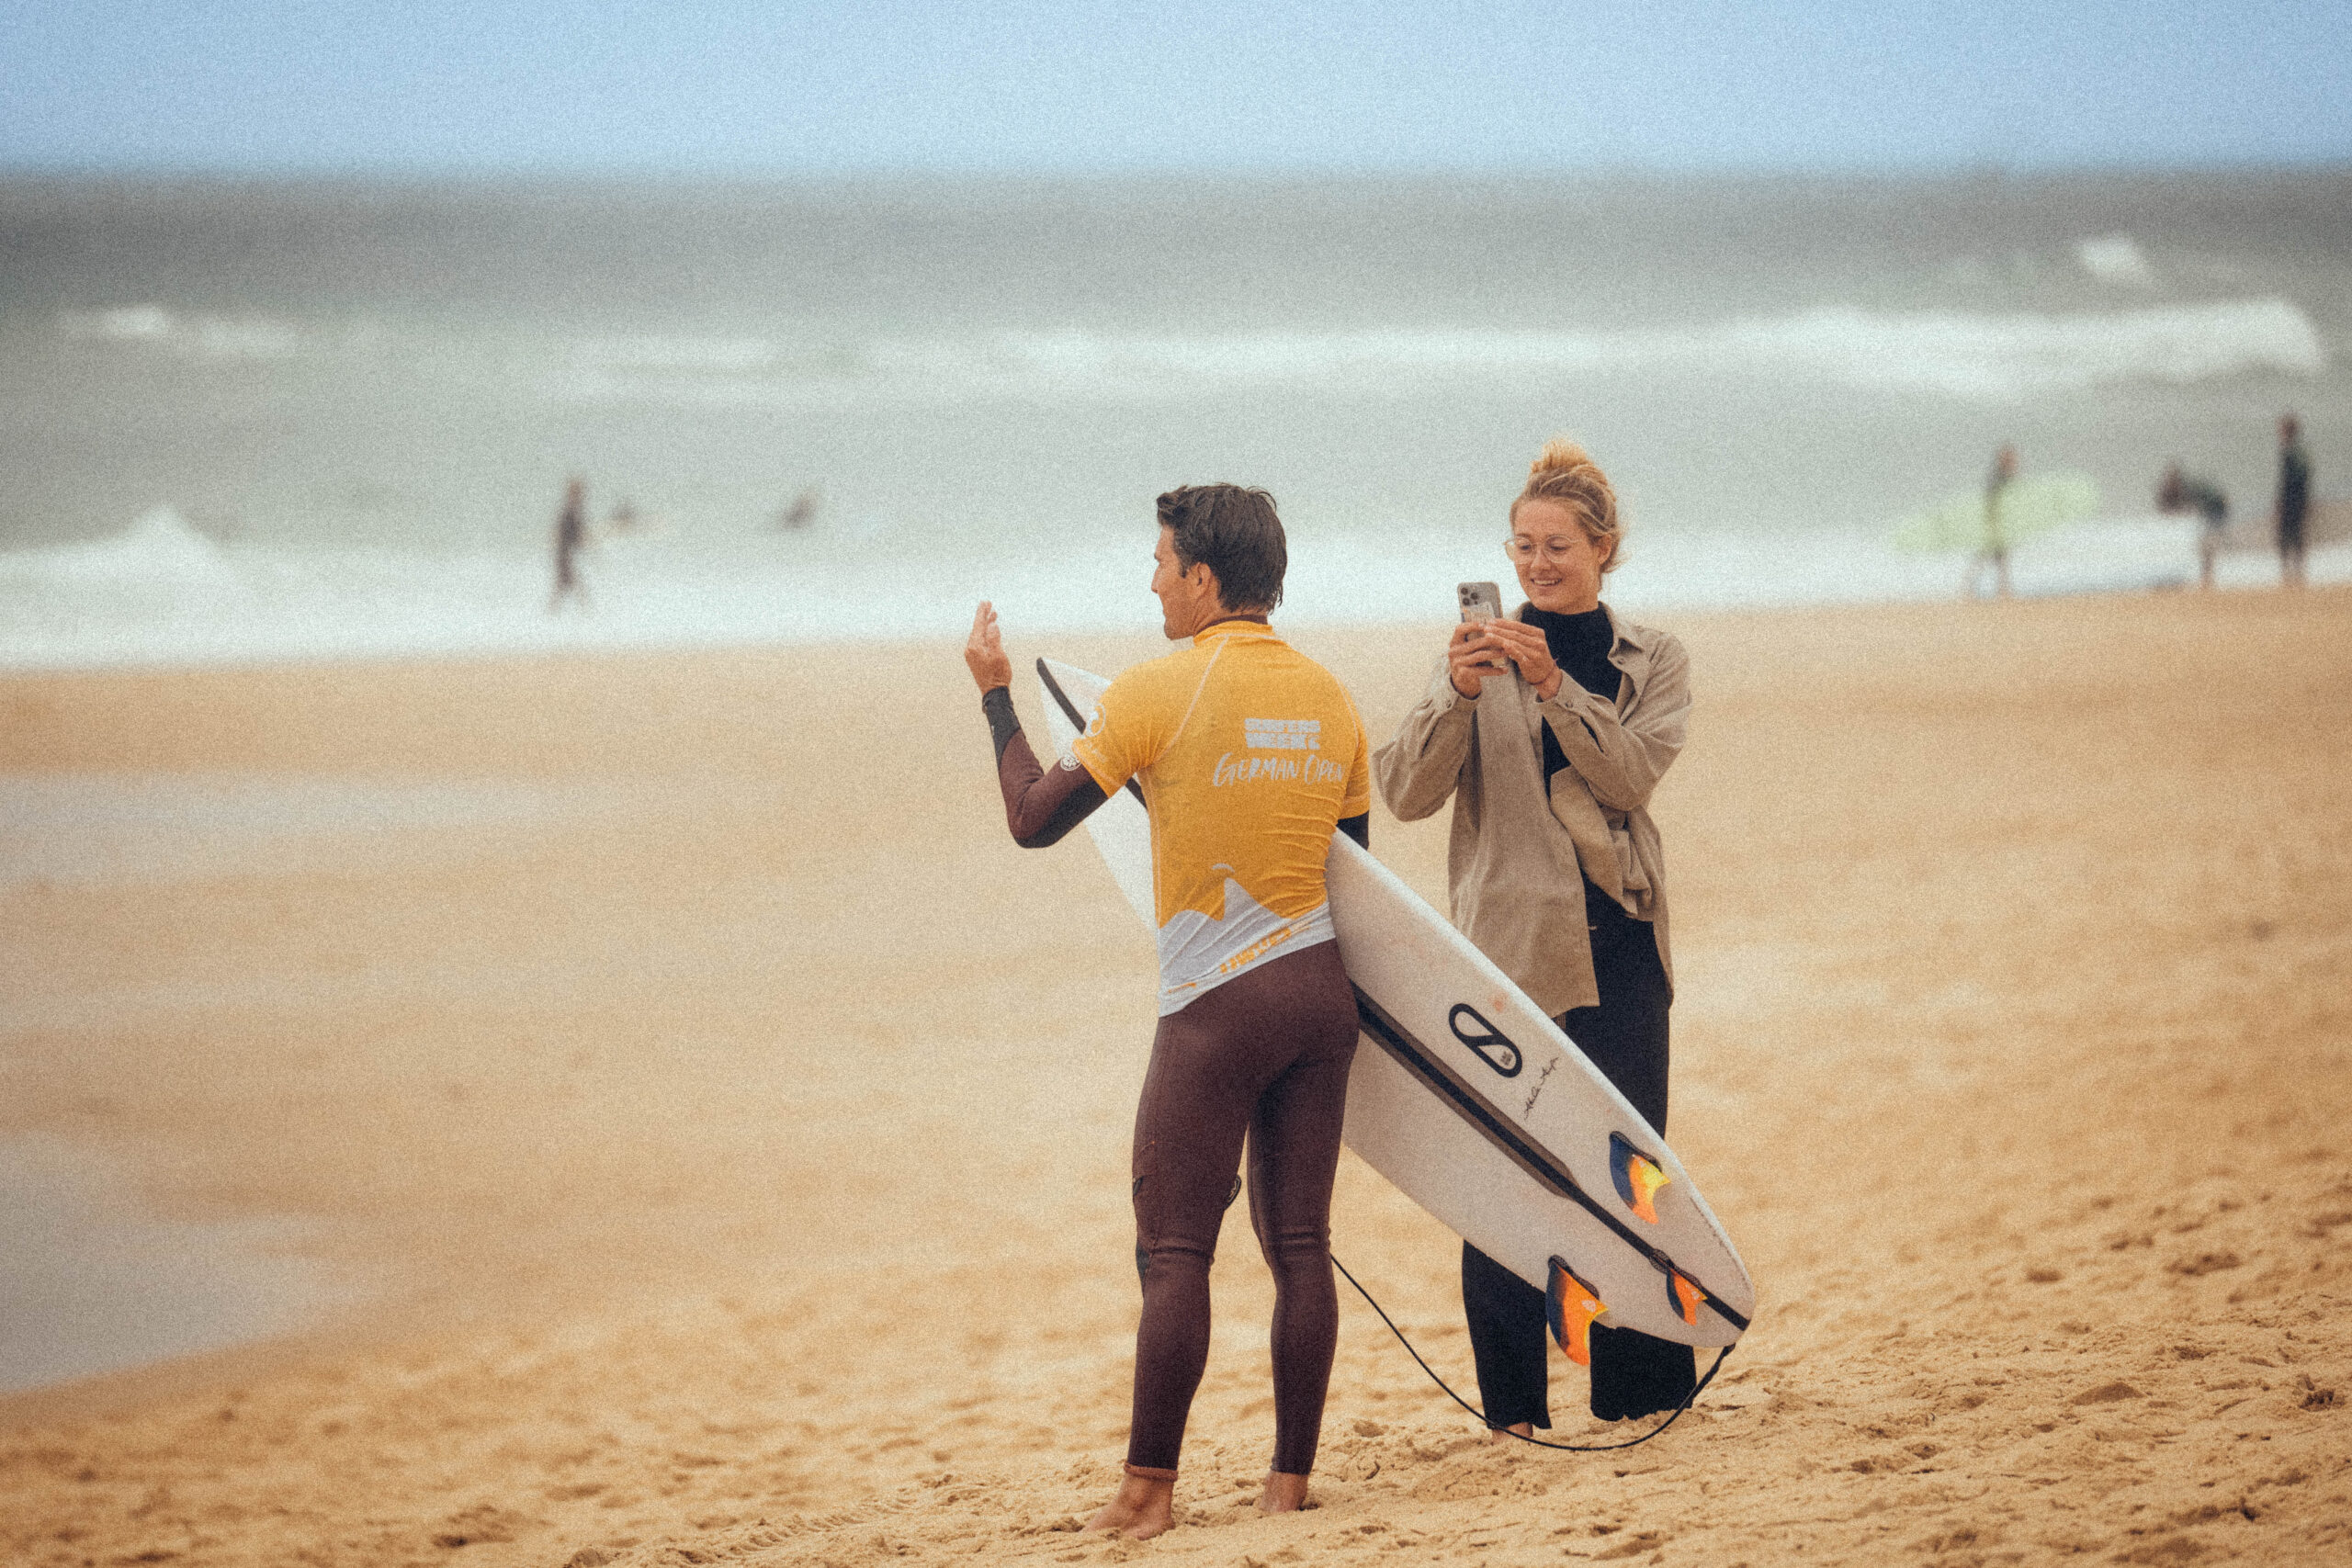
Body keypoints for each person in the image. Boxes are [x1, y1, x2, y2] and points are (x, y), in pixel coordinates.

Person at [963, 484, 1372, 1540]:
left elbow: (1031, 821)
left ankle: (1147, 1491)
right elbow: (1356, 877)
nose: (1150, 580)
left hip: (1215, 1007)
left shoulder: (1157, 692)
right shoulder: (1332, 700)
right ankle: (1288, 1484)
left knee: (1177, 1249)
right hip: (1321, 996)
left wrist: (997, 697)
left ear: (1203, 577)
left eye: (1160, 564)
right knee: (1301, 1244)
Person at [1373, 438, 1696, 1437]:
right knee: (1507, 1177)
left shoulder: (1653, 658)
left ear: (1603, 550)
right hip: (1510, 953)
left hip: (1623, 948)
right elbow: (1405, 792)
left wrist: (1556, 686)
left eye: (1557, 546)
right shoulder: (1472, 659)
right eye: (1522, 546)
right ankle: (1514, 1407)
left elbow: (1631, 776)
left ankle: (1637, 1392)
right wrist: (1459, 694)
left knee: (1630, 1176)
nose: (1537, 564)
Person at [2156, 463, 2229, 592]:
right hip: (2210, 511)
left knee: (2207, 544)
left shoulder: (2187, 489)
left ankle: (2207, 577)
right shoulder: (2184, 489)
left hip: (2215, 510)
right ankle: (2206, 577)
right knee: (2205, 544)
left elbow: (2187, 507)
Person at [1966, 445, 2018, 600]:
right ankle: (1970, 588)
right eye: (2009, 458)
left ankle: (2001, 589)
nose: (2013, 461)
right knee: (1986, 556)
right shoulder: (1998, 478)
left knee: (1998, 558)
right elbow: (1992, 501)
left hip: (1999, 523)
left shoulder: (2007, 477)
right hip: (1994, 523)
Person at [2277, 414, 2312, 590]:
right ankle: (2298, 572)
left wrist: (2281, 502)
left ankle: (2286, 574)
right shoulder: (2301, 452)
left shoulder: (2289, 452)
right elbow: (2306, 476)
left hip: (2290, 499)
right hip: (2300, 499)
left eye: (2281, 429)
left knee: (2284, 535)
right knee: (2297, 534)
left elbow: (2287, 480)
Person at [549, 477, 588, 613]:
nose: (582, 496)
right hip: (564, 555)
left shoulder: (572, 511)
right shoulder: (570, 512)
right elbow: (569, 535)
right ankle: (587, 615)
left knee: (563, 586)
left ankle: (551, 616)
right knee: (571, 585)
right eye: (579, 493)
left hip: (564, 554)